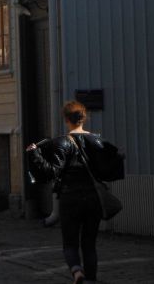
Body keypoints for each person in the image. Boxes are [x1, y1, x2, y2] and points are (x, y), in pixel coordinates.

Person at [27, 100, 108, 284]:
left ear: (66, 119)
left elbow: (51, 171)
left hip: (70, 197)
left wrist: (35, 154)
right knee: (89, 245)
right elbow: (105, 169)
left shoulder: (62, 142)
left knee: (70, 243)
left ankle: (76, 271)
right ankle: (91, 280)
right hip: (92, 197)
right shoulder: (96, 140)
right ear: (83, 118)